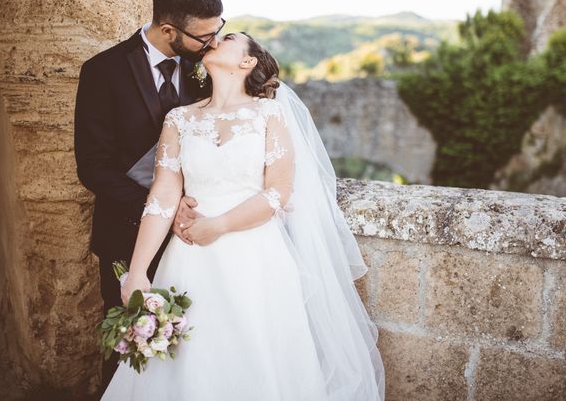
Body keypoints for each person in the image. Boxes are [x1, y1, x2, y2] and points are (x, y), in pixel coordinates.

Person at [100, 31, 385, 400]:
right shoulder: (179, 119)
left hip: (255, 259)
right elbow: (163, 195)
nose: (216, 38)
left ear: (247, 61)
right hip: (189, 261)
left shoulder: (269, 113)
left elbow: (278, 190)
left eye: (229, 36)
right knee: (187, 365)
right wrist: (137, 273)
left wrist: (216, 226)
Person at [74, 0, 222, 394]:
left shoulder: (209, 67)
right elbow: (93, 167)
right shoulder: (103, 72)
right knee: (130, 348)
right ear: (168, 29)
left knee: (194, 344)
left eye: (218, 32)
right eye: (203, 36)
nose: (212, 43)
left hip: (198, 236)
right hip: (127, 233)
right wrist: (161, 208)